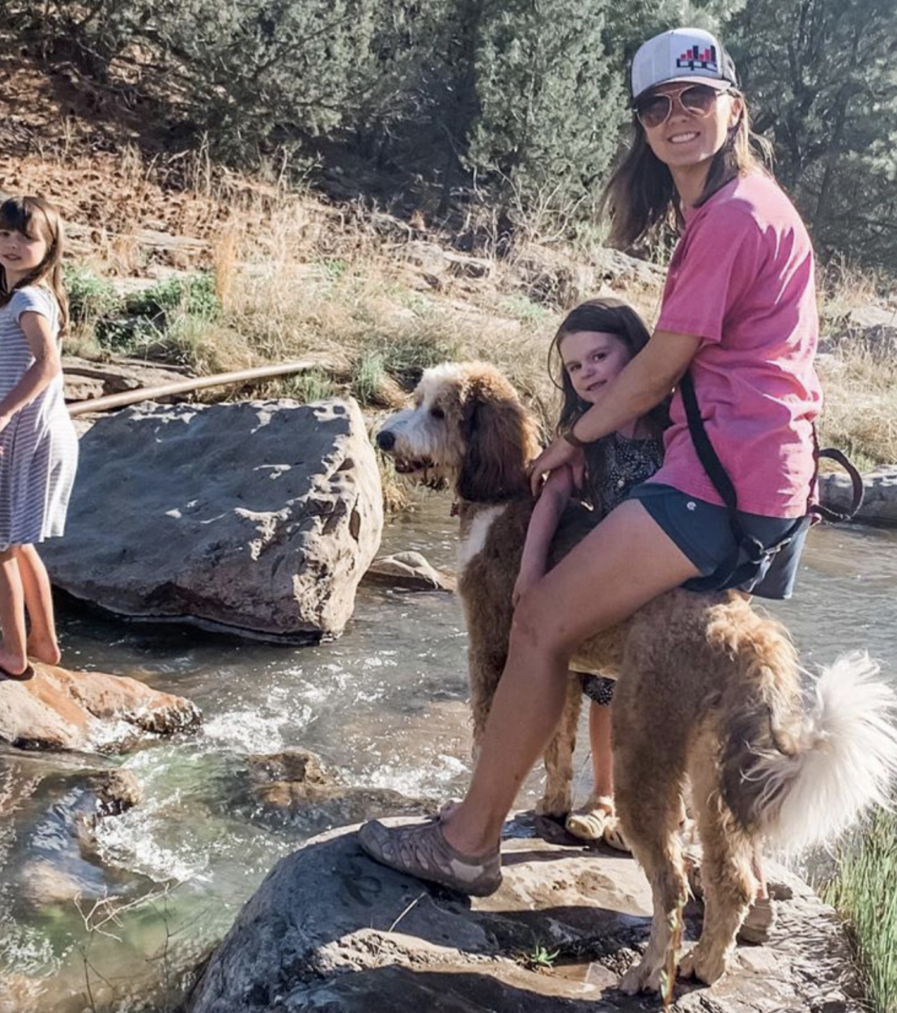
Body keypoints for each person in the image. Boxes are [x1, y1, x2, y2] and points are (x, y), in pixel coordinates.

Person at [359, 27, 821, 944]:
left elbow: (656, 370)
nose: (678, 117)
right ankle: (747, 885)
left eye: (696, 97)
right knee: (695, 668)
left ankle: (467, 840)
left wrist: (567, 441)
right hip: (761, 481)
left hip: (717, 483)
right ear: (641, 124)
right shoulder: (735, 209)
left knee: (538, 619)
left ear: (735, 105)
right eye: (657, 105)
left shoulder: (734, 214)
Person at [512, 298, 668, 848]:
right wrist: (530, 574)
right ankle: (602, 795)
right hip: (615, 576)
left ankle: (653, 810)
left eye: (601, 355)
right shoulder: (582, 432)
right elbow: (552, 495)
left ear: (640, 352)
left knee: (659, 702)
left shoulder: (672, 417)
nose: (588, 373)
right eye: (576, 367)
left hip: (671, 579)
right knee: (605, 691)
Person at [0, 196, 78, 678]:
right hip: (43, 435)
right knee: (18, 543)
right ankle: (43, 643)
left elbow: (47, 364)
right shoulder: (34, 297)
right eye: (5, 235)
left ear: (48, 247)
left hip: (25, 438)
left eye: (26, 237)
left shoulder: (30, 299)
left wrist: (0, 417)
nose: (12, 245)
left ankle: (13, 651)